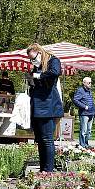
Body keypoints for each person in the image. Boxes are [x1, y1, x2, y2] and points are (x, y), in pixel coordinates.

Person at [24, 43, 63, 172]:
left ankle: (49, 170)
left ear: (39, 53)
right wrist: (31, 79)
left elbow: (55, 72)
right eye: (30, 59)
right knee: (40, 139)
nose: (32, 61)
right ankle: (43, 169)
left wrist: (39, 75)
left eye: (33, 58)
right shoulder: (37, 66)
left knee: (47, 139)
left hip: (48, 104)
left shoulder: (53, 60)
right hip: (38, 104)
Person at [72, 77, 95, 148]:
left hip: (91, 113)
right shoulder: (80, 90)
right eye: (89, 83)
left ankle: (86, 144)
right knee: (83, 131)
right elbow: (75, 100)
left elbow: (90, 101)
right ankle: (82, 145)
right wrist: (84, 106)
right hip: (84, 114)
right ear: (84, 83)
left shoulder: (89, 91)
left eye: (91, 82)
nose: (90, 84)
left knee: (89, 131)